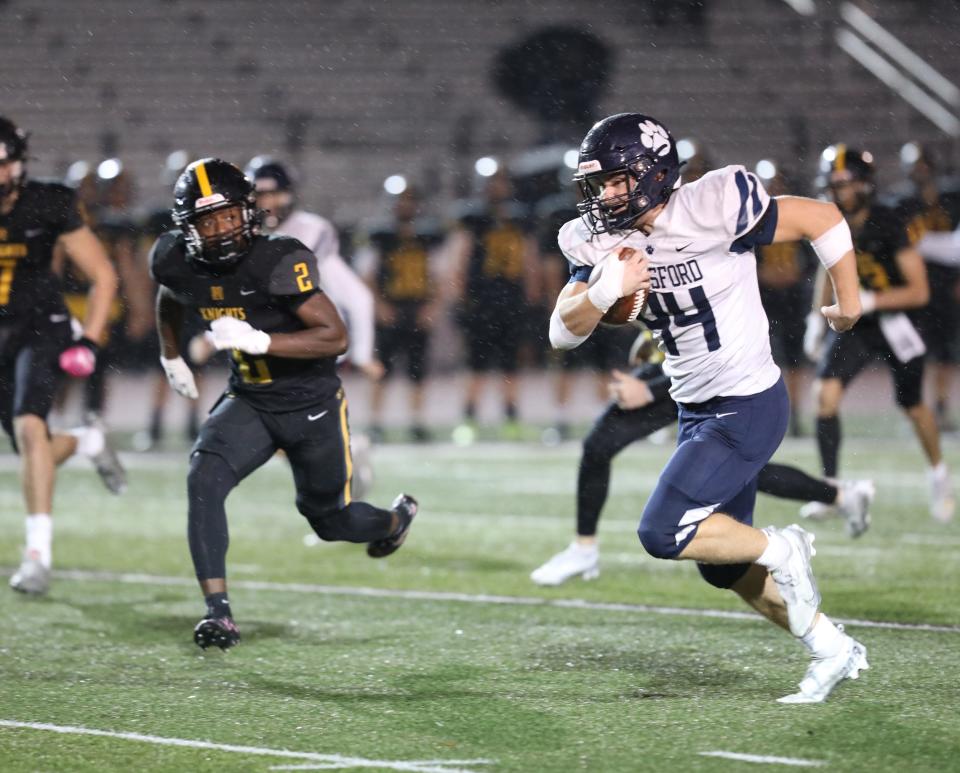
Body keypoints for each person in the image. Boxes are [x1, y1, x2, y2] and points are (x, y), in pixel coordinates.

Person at [549, 113, 866, 703]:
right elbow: (562, 332)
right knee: (722, 566)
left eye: (618, 180)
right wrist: (601, 291)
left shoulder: (712, 203)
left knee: (662, 531)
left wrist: (848, 304)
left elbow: (821, 219)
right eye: (599, 184)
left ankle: (785, 547)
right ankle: (832, 648)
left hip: (747, 400)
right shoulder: (596, 241)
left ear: (654, 173)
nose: (606, 194)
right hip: (695, 406)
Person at [150, 158, 417, 650]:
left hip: (309, 404)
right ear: (188, 228)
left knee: (331, 520)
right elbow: (171, 294)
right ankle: (219, 614)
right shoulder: (176, 258)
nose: (223, 230)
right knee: (203, 478)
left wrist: (261, 341)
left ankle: (395, 520)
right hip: (249, 400)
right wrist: (171, 356)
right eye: (208, 221)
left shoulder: (275, 258)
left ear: (249, 213)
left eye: (230, 216)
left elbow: (333, 336)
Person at [532, 331, 875, 586]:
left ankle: (836, 502)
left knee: (741, 472)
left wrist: (650, 388)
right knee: (600, 446)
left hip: (715, 378)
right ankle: (584, 548)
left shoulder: (698, 247)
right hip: (680, 363)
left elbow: (710, 331)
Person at [0, 116, 125, 595]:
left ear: (19, 164)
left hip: (40, 326)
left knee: (31, 430)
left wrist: (88, 340)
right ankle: (89, 442)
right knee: (37, 452)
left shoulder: (47, 202)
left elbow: (103, 276)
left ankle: (37, 557)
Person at [804, 145, 954, 523]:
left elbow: (919, 290)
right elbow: (828, 267)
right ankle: (831, 489)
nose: (837, 191)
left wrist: (870, 300)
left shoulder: (887, 221)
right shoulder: (831, 219)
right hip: (856, 322)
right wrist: (814, 318)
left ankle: (938, 475)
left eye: (844, 184)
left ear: (864, 185)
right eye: (832, 184)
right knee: (825, 396)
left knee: (913, 405)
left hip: (896, 319)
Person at [245, 155, 380, 491]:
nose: (267, 203)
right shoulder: (245, 235)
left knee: (279, 428)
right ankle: (346, 455)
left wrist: (362, 353)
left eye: (273, 194)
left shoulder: (311, 231)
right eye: (260, 195)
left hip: (310, 342)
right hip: (272, 345)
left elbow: (358, 297)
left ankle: (340, 469)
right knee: (279, 433)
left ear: (289, 194)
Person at [450, 167, 539, 438]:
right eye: (493, 182)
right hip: (481, 302)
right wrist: (460, 295)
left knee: (510, 363)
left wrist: (533, 294)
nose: (497, 187)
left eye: (500, 181)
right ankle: (469, 418)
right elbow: (461, 257)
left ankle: (511, 416)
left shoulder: (520, 216)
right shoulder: (474, 217)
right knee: (476, 364)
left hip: (511, 300)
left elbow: (529, 257)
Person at [354, 185, 444, 442]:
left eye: (409, 200)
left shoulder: (427, 235)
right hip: (390, 308)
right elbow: (366, 274)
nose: (405, 205)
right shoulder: (379, 235)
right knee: (381, 369)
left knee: (418, 371)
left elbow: (438, 274)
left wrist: (433, 306)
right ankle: (375, 422)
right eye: (401, 200)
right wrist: (379, 306)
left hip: (417, 308)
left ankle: (417, 422)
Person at [895, 143, 960, 433]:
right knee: (914, 351)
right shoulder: (900, 202)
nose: (919, 171)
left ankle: (941, 406)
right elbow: (905, 247)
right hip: (914, 287)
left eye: (923, 165)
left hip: (946, 286)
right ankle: (916, 407)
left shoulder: (951, 197)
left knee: (945, 352)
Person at [756, 168, 816, 436]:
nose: (775, 189)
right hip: (761, 298)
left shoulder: (795, 217)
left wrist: (797, 274)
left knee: (793, 359)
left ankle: (794, 414)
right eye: (771, 184)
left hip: (791, 298)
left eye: (779, 183)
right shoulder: (749, 219)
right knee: (760, 357)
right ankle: (766, 413)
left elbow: (812, 259)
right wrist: (762, 274)